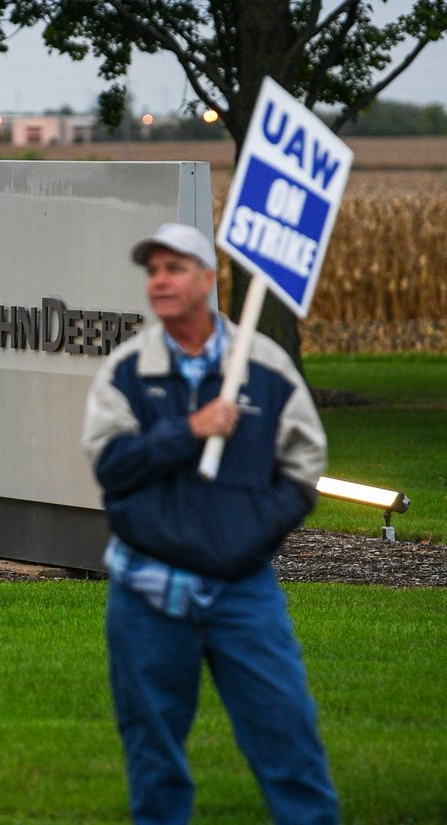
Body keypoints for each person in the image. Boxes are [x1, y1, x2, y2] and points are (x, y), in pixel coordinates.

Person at [81, 222, 338, 823]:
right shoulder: (126, 370)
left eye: (174, 269)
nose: (159, 281)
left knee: (287, 738)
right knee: (153, 757)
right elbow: (110, 466)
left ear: (206, 280)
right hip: (145, 591)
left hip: (242, 591)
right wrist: (188, 430)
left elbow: (305, 465)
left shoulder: (266, 366)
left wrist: (247, 533)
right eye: (152, 271)